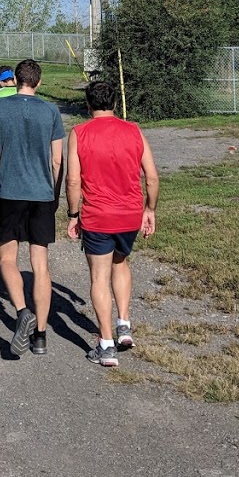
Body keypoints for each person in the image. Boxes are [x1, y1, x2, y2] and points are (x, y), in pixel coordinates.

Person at [66, 79, 159, 367]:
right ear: (115, 103)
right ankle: (124, 324)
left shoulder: (79, 133)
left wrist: (72, 214)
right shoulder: (133, 130)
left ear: (88, 104)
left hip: (98, 215)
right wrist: (150, 209)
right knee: (120, 263)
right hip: (130, 213)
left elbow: (72, 180)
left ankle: (106, 345)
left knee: (98, 277)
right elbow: (152, 177)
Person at [0, 59, 65, 357]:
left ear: (16, 80)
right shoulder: (51, 111)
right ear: (39, 82)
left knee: (7, 258)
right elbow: (58, 160)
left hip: (10, 191)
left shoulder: (0, 108)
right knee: (40, 264)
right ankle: (41, 336)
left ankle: (21, 312)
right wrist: (55, 194)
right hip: (42, 194)